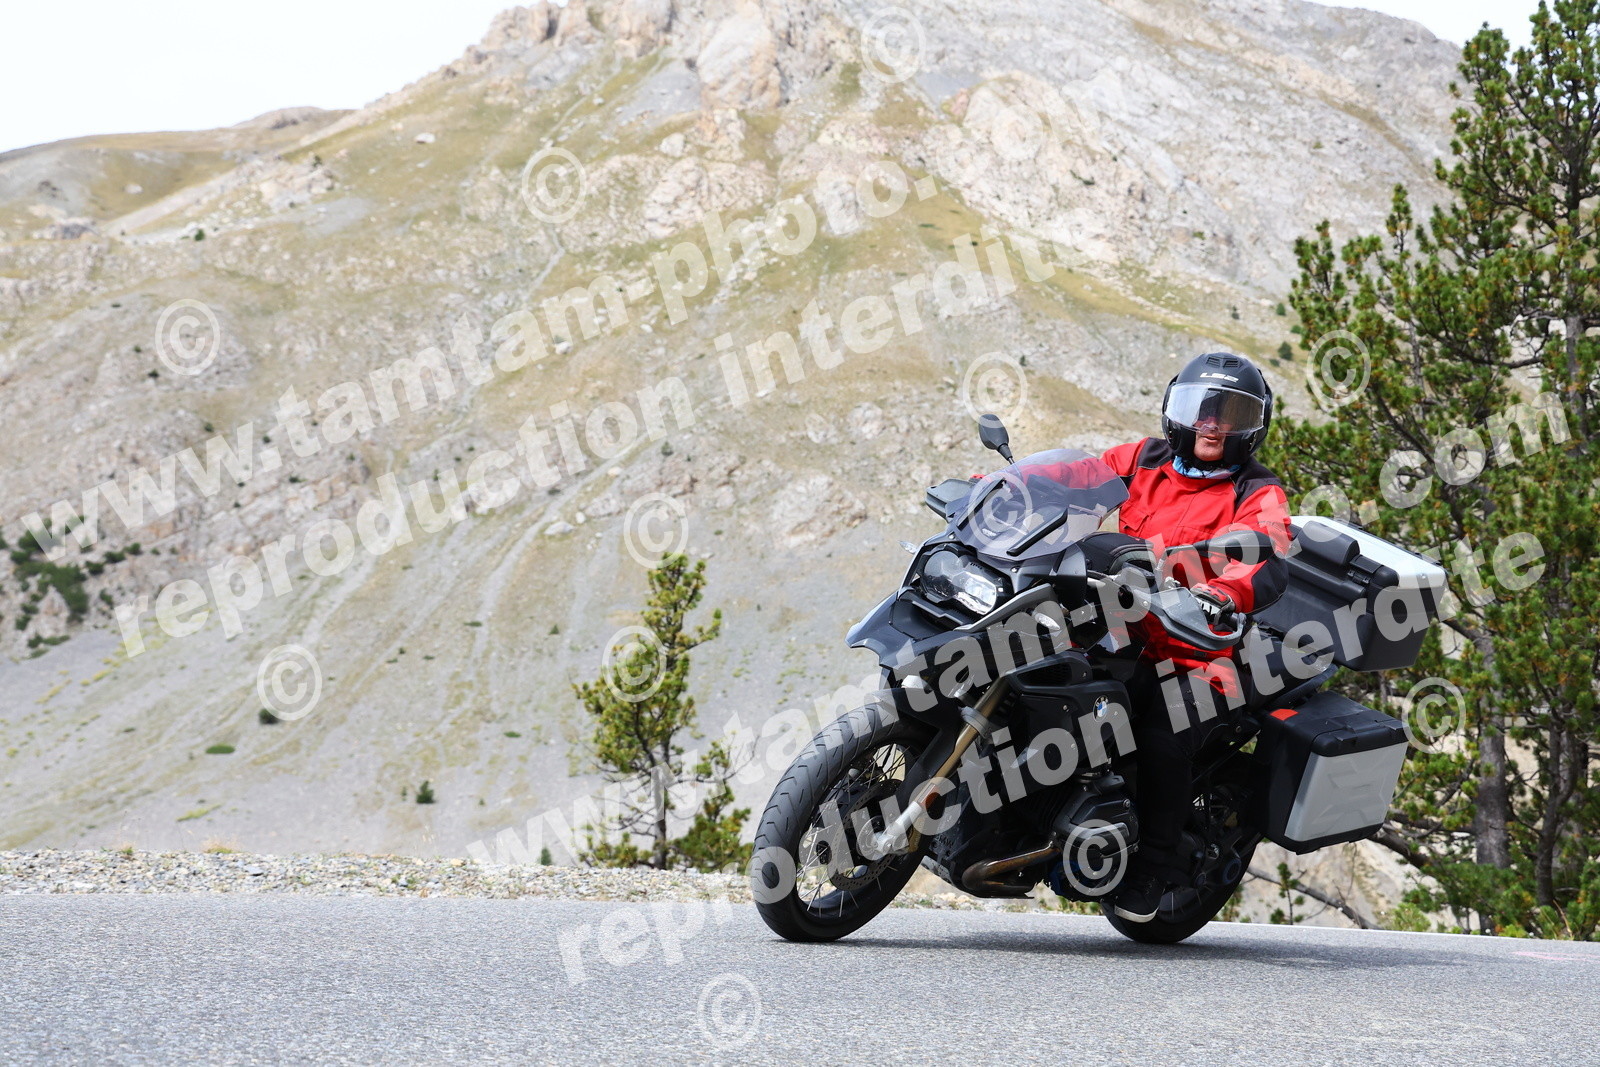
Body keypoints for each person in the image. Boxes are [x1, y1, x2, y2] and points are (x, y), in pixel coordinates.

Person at [1095, 352, 1291, 922]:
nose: (1213, 425)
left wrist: (1224, 592)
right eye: (1202, 410)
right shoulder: (1143, 459)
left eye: (1230, 414)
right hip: (1120, 629)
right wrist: (1010, 493)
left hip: (1199, 653)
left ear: (1251, 426)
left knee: (1164, 732)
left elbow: (1267, 553)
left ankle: (1153, 869)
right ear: (1174, 410)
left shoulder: (1257, 491)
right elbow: (1077, 479)